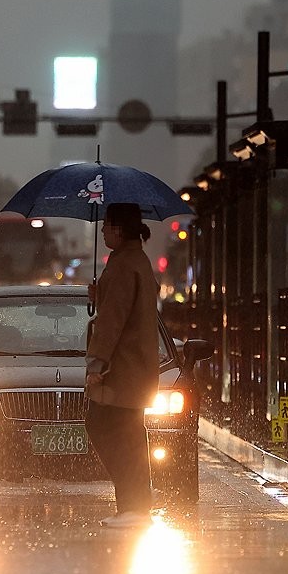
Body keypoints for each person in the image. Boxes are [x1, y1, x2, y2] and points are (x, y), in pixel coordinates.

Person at [85, 202, 160, 529]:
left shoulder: (122, 265)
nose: (102, 232)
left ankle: (133, 504)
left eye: (106, 227)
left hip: (123, 368)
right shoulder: (137, 261)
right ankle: (135, 503)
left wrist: (96, 365)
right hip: (138, 367)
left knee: (104, 426)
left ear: (118, 228)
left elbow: (112, 322)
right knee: (128, 433)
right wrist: (101, 294)